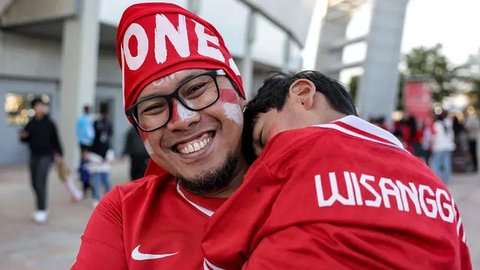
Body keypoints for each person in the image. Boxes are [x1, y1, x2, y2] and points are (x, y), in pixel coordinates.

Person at [202, 71, 472, 269]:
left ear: (302, 94)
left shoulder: (292, 147)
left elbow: (219, 252)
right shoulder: (435, 185)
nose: (262, 161)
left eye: (263, 138)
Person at [72, 3, 248, 269]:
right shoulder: (124, 214)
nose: (182, 119)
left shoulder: (313, 182)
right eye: (154, 108)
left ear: (239, 90)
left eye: (198, 88)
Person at [19, 98, 63, 224]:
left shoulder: (49, 123)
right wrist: (23, 137)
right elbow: (25, 139)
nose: (40, 108)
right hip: (34, 155)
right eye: (37, 106)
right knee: (33, 182)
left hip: (46, 156)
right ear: (34, 108)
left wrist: (60, 154)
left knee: (40, 181)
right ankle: (41, 207)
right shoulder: (31, 123)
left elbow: (56, 139)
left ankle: (41, 210)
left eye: (42, 106)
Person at [88, 104, 114, 207]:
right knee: (97, 180)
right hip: (96, 153)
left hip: (105, 152)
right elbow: (91, 138)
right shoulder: (96, 123)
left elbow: (110, 137)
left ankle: (109, 199)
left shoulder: (108, 123)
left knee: (106, 180)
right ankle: (96, 199)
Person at [429, 111, 456, 185]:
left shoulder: (436, 124)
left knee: (436, 164)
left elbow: (433, 136)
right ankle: (446, 180)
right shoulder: (448, 123)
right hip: (448, 146)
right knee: (447, 164)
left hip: (439, 147)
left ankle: (438, 180)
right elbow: (452, 135)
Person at [76, 105, 95, 197]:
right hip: (85, 143)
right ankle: (85, 185)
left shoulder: (84, 119)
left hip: (84, 143)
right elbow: (88, 133)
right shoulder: (84, 120)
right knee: (85, 164)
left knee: (86, 164)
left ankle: (87, 184)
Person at [465, 107, 479, 172]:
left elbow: (467, 126)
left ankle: (474, 166)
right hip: (471, 137)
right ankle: (474, 165)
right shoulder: (472, 118)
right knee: (472, 152)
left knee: (473, 152)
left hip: (472, 137)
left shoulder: (472, 118)